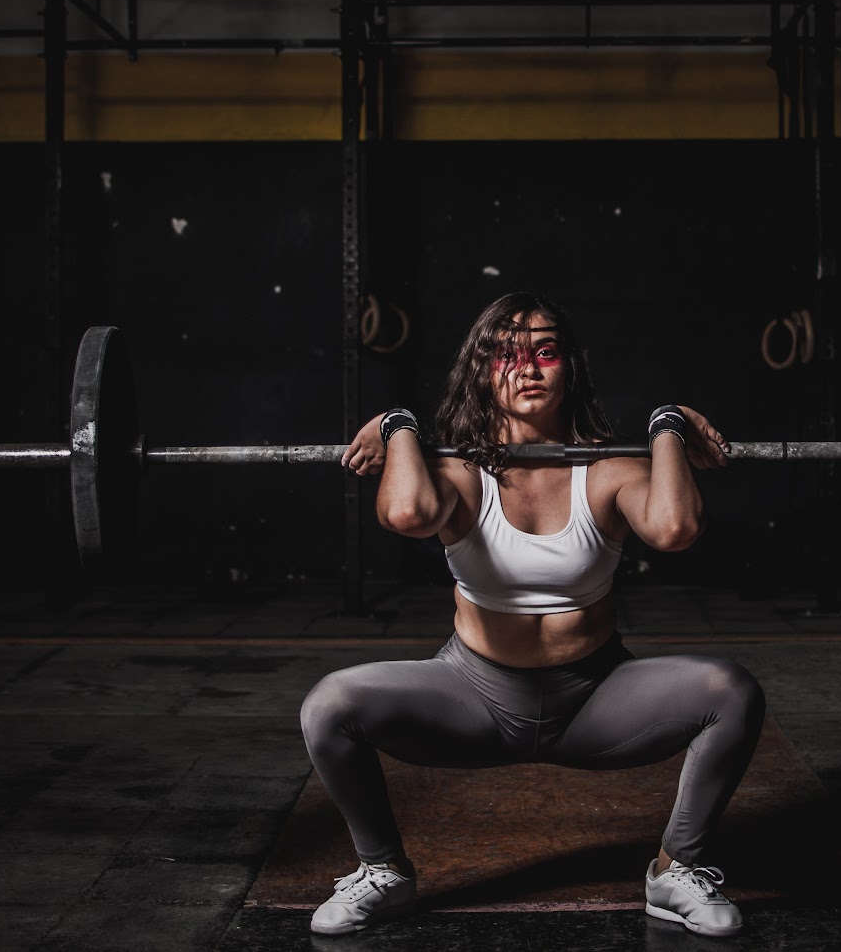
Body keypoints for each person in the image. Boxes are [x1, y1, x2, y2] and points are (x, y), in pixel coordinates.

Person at [300, 291, 766, 938]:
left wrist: (668, 426)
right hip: (472, 698)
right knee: (328, 706)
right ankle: (384, 870)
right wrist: (398, 425)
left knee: (732, 691)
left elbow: (677, 526)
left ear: (568, 366)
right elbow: (407, 513)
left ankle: (676, 868)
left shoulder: (607, 470)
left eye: (544, 351)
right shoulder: (461, 473)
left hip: (595, 699)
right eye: (505, 354)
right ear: (481, 371)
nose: (527, 367)